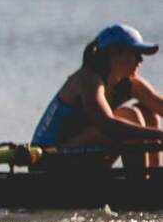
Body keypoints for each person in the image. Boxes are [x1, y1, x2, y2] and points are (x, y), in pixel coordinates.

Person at [31, 24, 163, 172]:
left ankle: (154, 178)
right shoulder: (87, 79)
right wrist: (158, 135)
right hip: (48, 161)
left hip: (82, 155)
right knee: (130, 115)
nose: (141, 60)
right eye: (135, 53)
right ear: (114, 54)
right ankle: (140, 182)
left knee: (150, 116)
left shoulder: (130, 83)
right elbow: (107, 125)